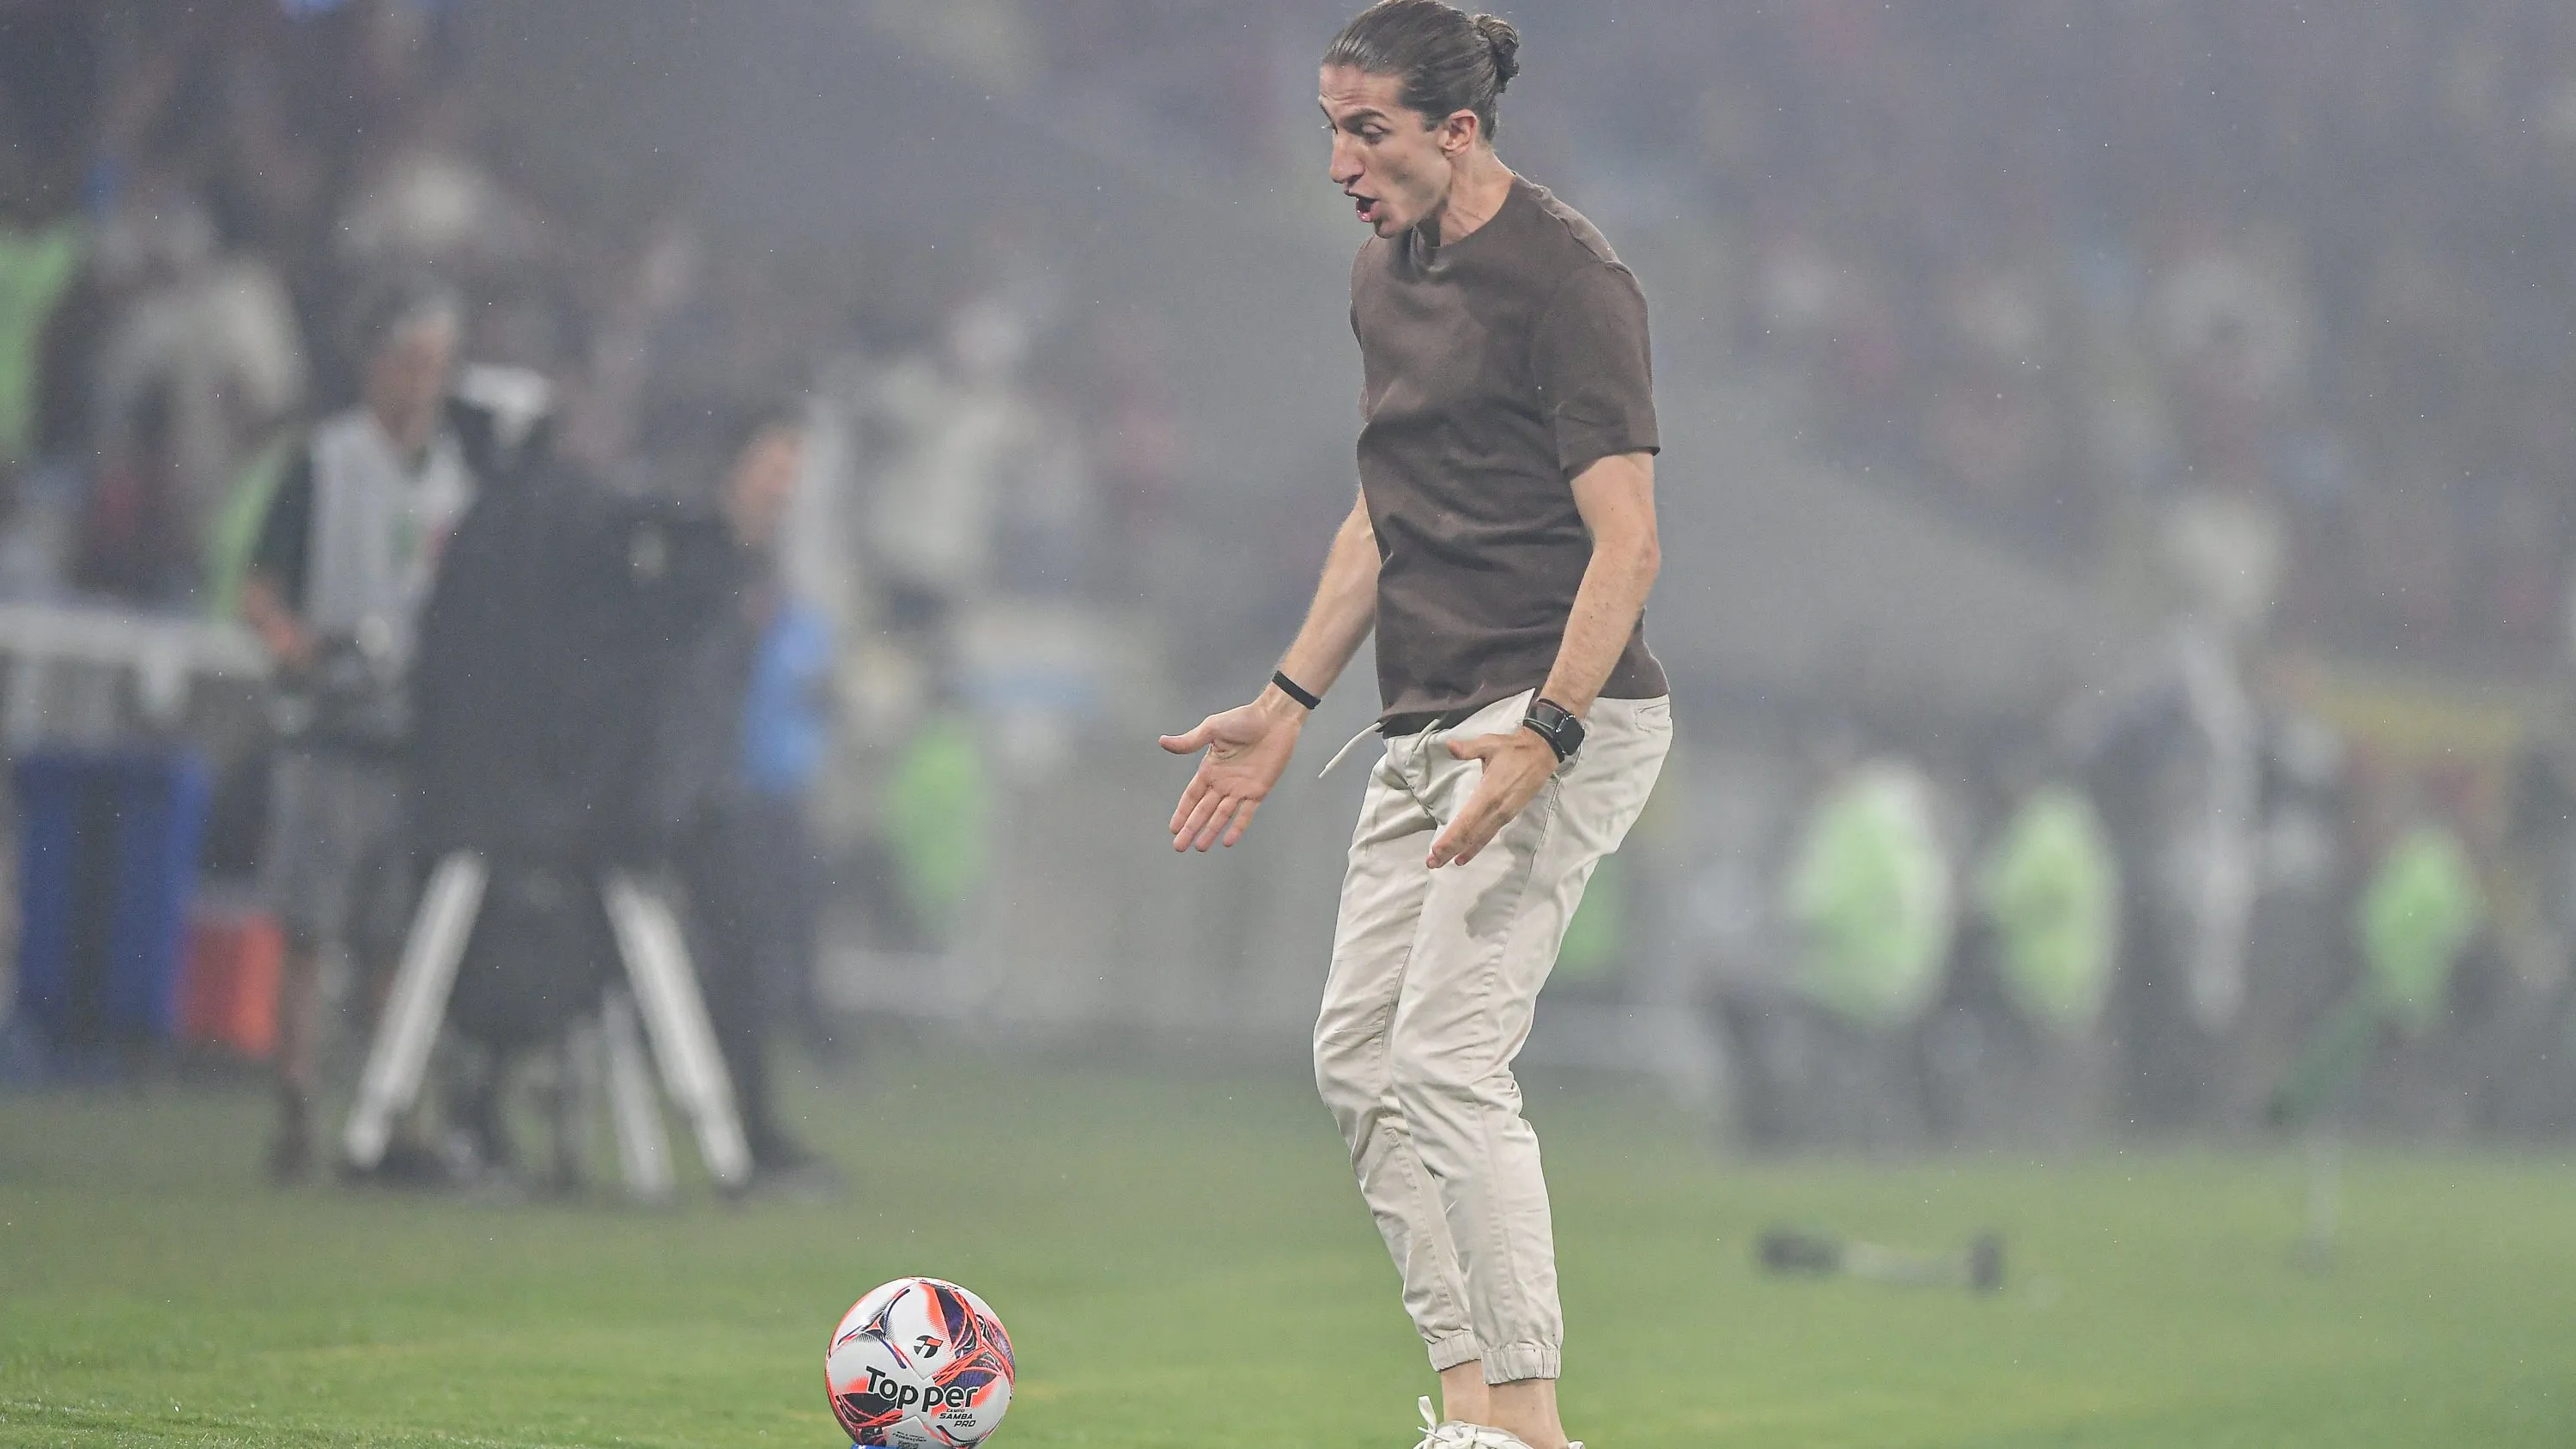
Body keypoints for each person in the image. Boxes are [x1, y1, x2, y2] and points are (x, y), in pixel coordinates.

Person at [1158, 7, 1668, 1446]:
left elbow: (1627, 543)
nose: (1337, 160)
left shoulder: (1573, 283)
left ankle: (1531, 1427)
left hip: (1560, 711)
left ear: (1459, 131)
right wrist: (1282, 702)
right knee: (1358, 1064)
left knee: (1446, 1057)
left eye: (1365, 129)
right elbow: (1384, 521)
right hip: (1431, 715)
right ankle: (1470, 1415)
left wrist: (1550, 728)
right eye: (1329, 126)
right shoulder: (1385, 276)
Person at [240, 276, 471, 1181]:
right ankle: (298, 1103)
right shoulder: (325, 461)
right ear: (377, 366)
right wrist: (298, 646)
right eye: (411, 363)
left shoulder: (455, 475)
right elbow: (262, 589)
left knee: (392, 939)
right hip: (331, 728)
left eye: (437, 367)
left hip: (413, 736)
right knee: (310, 929)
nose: (424, 384)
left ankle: (386, 1112)